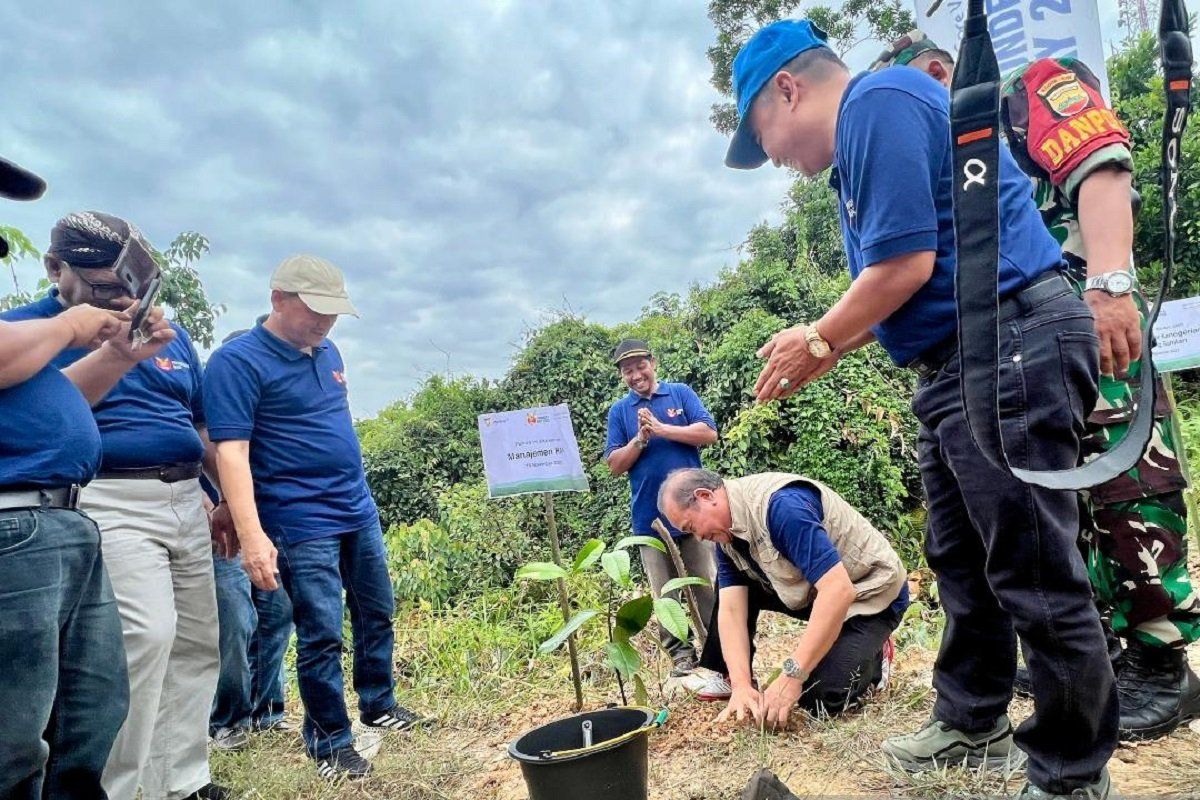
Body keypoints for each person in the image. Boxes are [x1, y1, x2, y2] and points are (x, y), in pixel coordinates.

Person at [724, 20, 1116, 798]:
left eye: (759, 133)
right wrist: (824, 346)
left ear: (787, 90)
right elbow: (901, 288)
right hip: (959, 362)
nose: (769, 155)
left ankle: (1072, 776)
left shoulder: (878, 102)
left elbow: (906, 264)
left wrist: (817, 336)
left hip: (1008, 340)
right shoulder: (865, 143)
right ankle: (972, 721)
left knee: (1033, 571)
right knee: (962, 563)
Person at [872, 31, 1200, 742]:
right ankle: (1099, 658)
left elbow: (1102, 168)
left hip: (1086, 313)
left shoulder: (1027, 93)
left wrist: (1111, 283)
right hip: (1016, 350)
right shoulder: (949, 158)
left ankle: (1160, 662)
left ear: (933, 74)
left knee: (1128, 487)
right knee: (1055, 501)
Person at [3, 211, 229, 800]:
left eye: (130, 288)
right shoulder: (33, 328)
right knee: (140, 644)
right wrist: (78, 330)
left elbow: (195, 422)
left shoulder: (156, 339)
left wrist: (222, 498)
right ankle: (125, 786)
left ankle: (182, 779)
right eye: (104, 288)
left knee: (187, 645)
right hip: (104, 495)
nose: (120, 301)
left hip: (167, 499)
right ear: (56, 270)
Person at [203, 255, 431, 780]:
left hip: (356, 506)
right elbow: (231, 453)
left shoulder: (328, 350)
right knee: (321, 630)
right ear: (278, 298)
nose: (325, 323)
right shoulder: (237, 361)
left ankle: (379, 703)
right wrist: (253, 533)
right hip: (300, 519)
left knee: (377, 610)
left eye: (333, 313)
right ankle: (330, 742)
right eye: (315, 311)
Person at [658, 468, 907, 728]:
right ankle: (729, 676)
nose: (697, 537)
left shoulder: (782, 508)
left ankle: (875, 653)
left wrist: (791, 677)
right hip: (816, 589)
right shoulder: (727, 535)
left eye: (691, 526)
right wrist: (741, 685)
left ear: (705, 496)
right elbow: (731, 610)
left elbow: (838, 590)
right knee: (730, 586)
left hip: (870, 593)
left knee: (820, 698)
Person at [604, 338, 723, 689]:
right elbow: (614, 465)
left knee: (706, 584)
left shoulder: (681, 394)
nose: (636, 373)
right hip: (648, 520)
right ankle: (681, 658)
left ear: (653, 363)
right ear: (622, 376)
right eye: (628, 370)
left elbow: (708, 433)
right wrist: (640, 439)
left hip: (695, 513)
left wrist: (661, 428)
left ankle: (716, 650)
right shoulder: (619, 412)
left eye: (640, 365)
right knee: (664, 594)